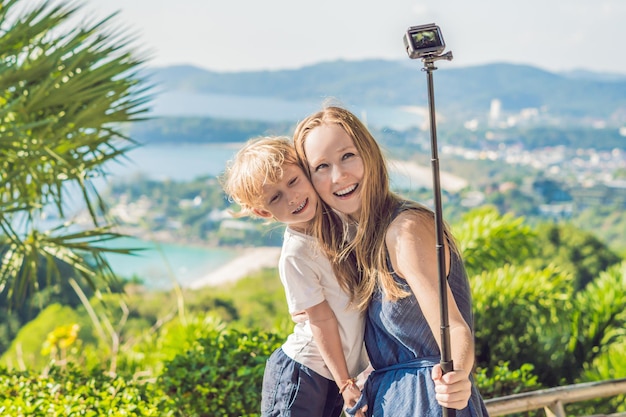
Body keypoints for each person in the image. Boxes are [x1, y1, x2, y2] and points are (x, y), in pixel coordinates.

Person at [293, 106, 489, 416]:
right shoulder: (358, 243)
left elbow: (453, 326)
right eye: (321, 166)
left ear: (369, 155)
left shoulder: (405, 230)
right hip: (391, 402)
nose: (339, 175)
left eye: (348, 156)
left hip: (430, 400)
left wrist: (459, 376)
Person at [220, 136, 369, 417]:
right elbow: (321, 320)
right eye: (275, 197)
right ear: (263, 211)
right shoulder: (296, 253)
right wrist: (346, 383)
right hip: (303, 374)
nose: (292, 198)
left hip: (332, 374)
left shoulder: (339, 218)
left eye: (293, 181)